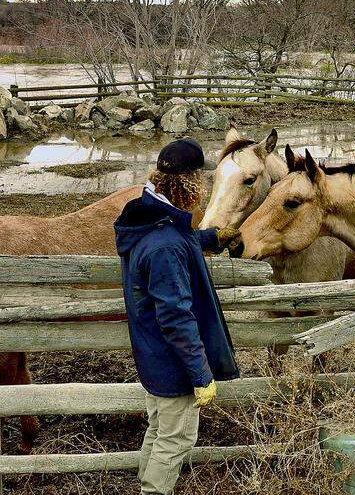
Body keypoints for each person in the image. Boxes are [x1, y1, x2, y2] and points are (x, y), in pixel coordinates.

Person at [114, 137, 241, 494]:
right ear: (190, 184)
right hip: (173, 362)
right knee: (176, 440)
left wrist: (209, 238)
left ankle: (145, 487)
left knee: (159, 431)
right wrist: (201, 374)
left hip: (153, 356)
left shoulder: (150, 217)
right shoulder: (166, 243)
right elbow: (175, 316)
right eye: (201, 183)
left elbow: (171, 242)